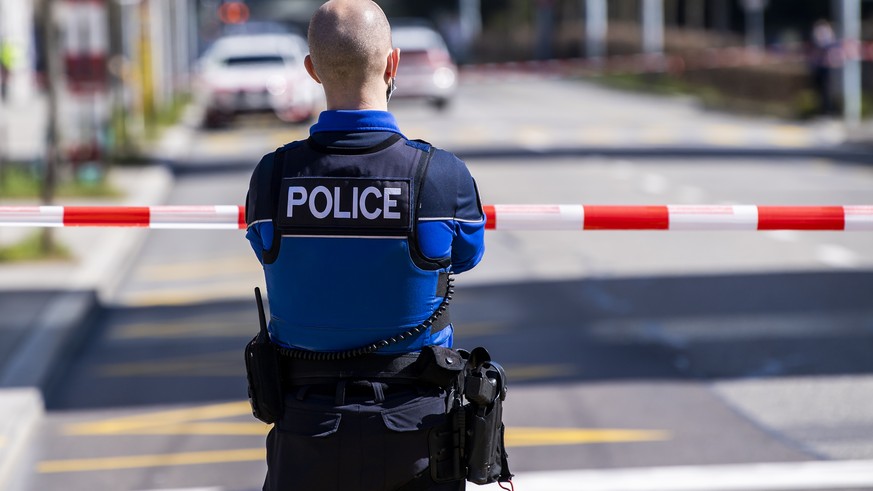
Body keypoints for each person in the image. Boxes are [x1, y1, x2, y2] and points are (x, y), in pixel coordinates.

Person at [244, 1, 486, 489]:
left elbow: (268, 250)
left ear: (311, 70)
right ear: (392, 62)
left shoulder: (272, 177)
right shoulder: (439, 177)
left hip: (304, 432)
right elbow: (467, 256)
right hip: (418, 436)